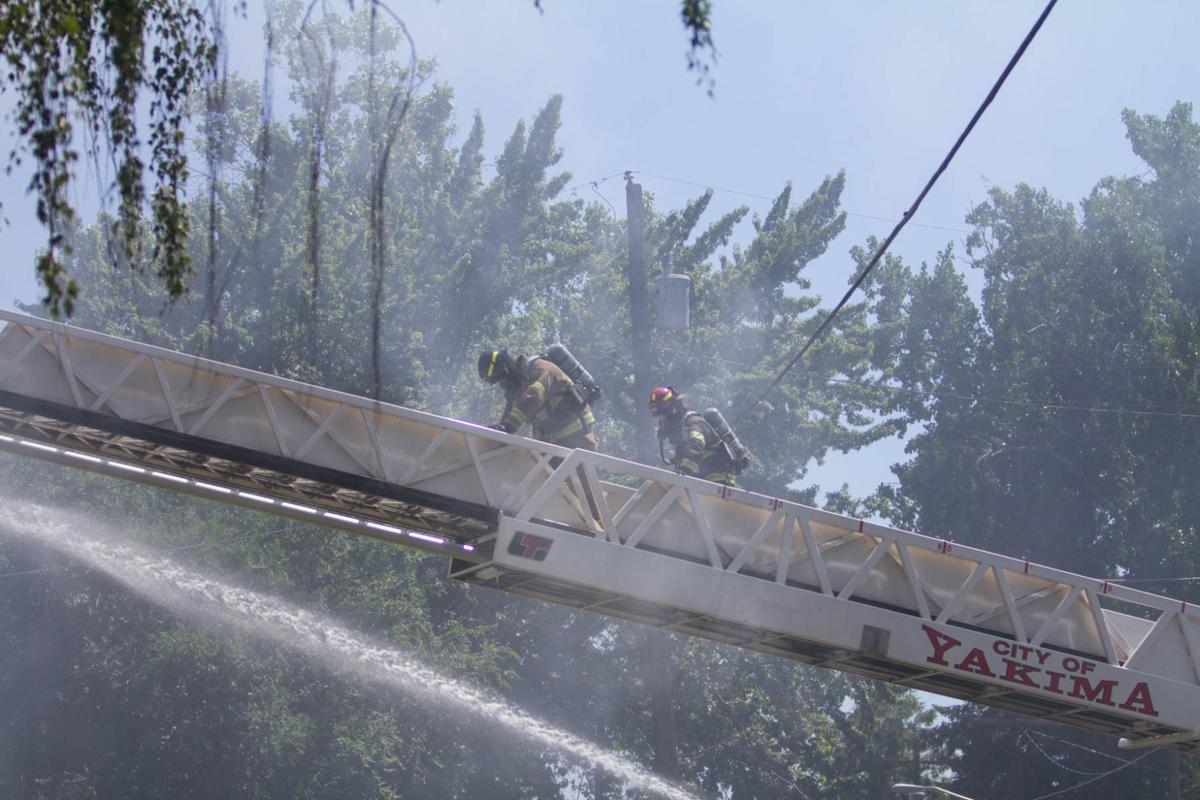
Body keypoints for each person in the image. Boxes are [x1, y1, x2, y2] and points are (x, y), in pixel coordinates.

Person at [477, 349, 597, 451]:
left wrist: (508, 427)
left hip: (579, 438)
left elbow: (534, 397)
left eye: (500, 379)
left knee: (572, 478)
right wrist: (499, 432)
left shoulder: (540, 369)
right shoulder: (520, 386)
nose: (502, 385)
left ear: (506, 369)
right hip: (554, 445)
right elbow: (508, 418)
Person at [647, 385, 737, 487]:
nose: (661, 419)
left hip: (718, 476)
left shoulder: (693, 422)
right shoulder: (680, 431)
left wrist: (684, 471)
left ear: (672, 408)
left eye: (662, 413)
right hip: (703, 478)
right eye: (657, 415)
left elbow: (696, 446)